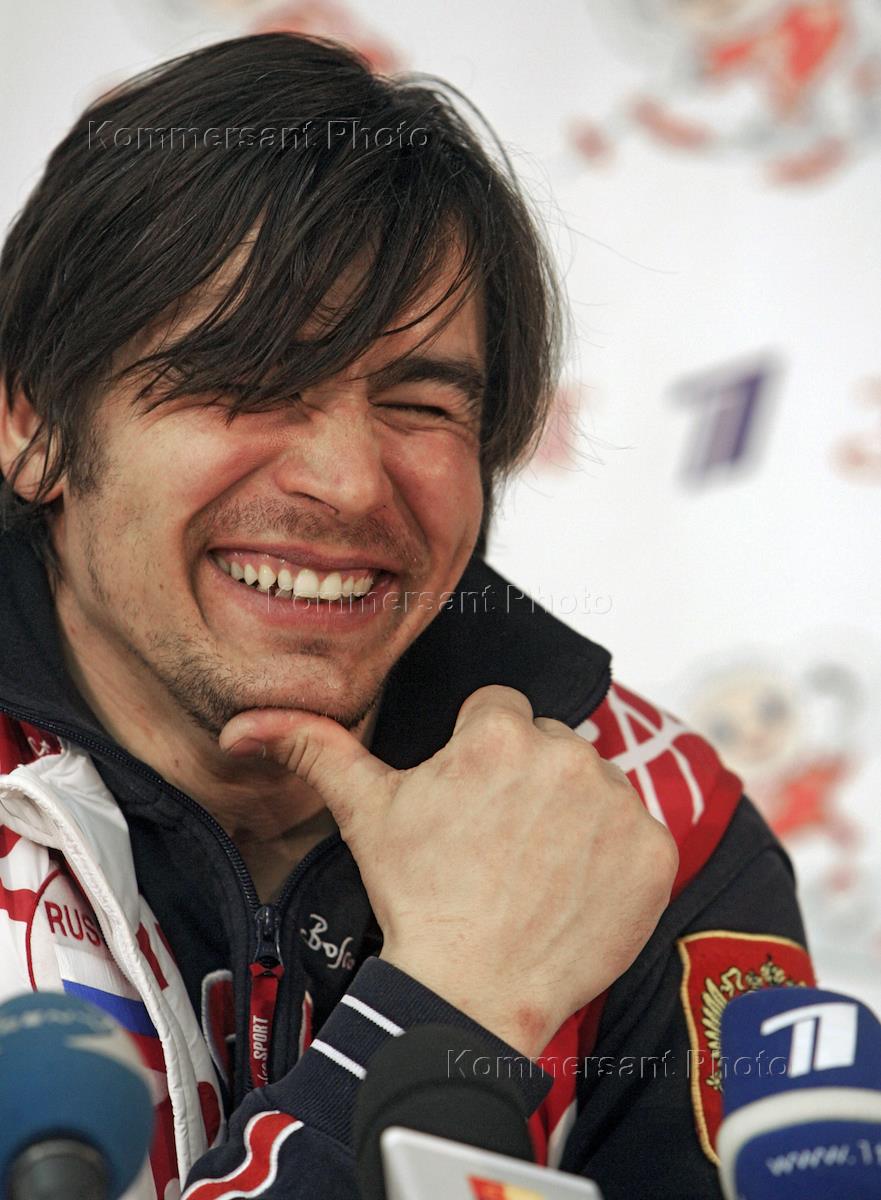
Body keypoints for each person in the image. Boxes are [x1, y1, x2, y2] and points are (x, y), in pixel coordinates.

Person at [0, 33, 813, 1200]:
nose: (347, 482)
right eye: (248, 383)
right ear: (34, 423)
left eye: (421, 404)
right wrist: (447, 1009)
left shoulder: (646, 817)